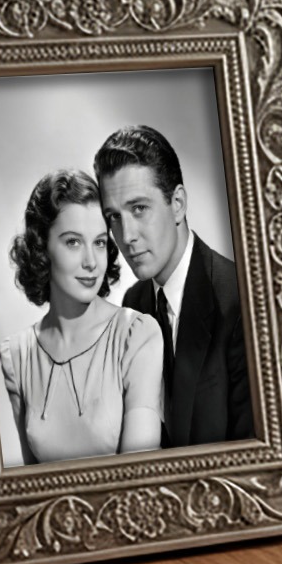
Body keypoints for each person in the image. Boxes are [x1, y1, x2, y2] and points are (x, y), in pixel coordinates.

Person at [95, 123, 254, 446]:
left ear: (178, 203)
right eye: (114, 217)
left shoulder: (241, 303)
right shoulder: (134, 303)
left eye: (139, 209)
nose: (126, 236)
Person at [0, 168, 165, 467]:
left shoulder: (136, 335)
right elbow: (16, 484)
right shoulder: (16, 357)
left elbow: (142, 476)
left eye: (99, 242)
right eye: (73, 242)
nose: (91, 262)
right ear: (42, 248)